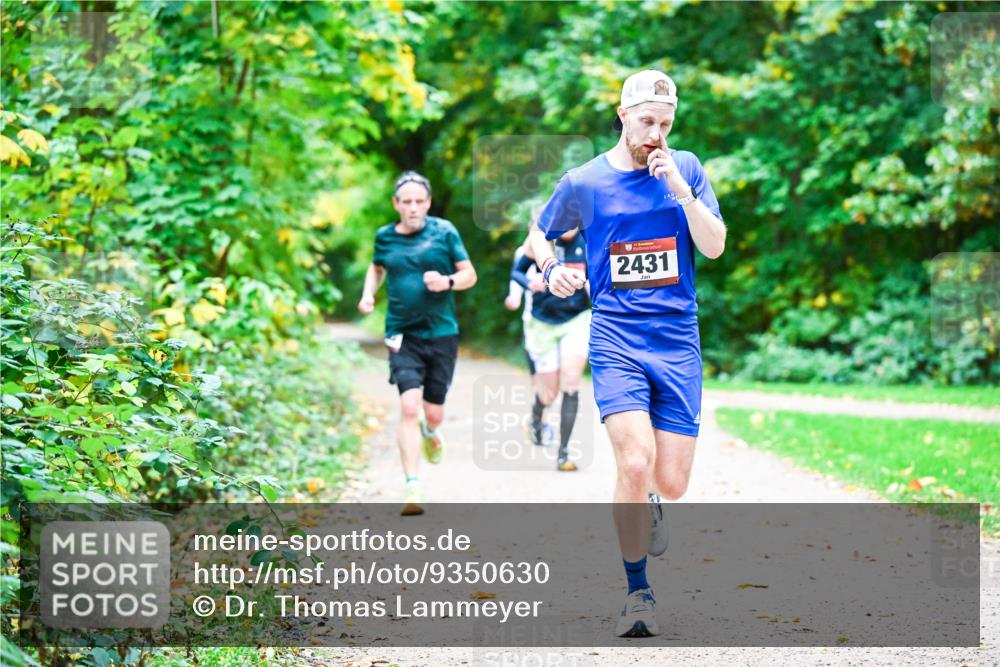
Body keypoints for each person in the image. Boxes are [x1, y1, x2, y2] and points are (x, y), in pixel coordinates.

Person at [528, 69, 726, 637]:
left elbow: (713, 247)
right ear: (622, 116)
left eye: (666, 124)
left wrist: (682, 193)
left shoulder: (685, 168)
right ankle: (638, 591)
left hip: (677, 339)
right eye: (647, 122)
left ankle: (654, 502)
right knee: (633, 463)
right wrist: (550, 268)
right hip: (616, 337)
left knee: (673, 479)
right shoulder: (585, 181)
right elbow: (538, 234)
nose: (656, 135)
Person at [358, 171, 477, 516]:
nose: (413, 207)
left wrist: (448, 282)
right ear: (396, 204)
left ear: (428, 203)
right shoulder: (385, 237)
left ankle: (432, 429)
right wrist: (368, 295)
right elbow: (377, 268)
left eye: (419, 201)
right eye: (406, 201)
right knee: (408, 406)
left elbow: (470, 274)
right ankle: (412, 486)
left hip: (441, 333)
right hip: (401, 334)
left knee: (432, 412)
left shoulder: (445, 232)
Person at [510, 225, 590, 471]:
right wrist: (529, 282)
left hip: (576, 319)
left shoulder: (589, 239)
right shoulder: (541, 240)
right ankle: (535, 420)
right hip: (542, 322)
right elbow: (517, 272)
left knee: (571, 379)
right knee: (548, 393)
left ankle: (563, 453)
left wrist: (593, 286)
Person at [504, 242, 558, 449]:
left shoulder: (564, 246)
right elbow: (517, 278)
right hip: (533, 322)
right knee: (539, 378)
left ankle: (538, 419)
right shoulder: (525, 251)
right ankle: (541, 422)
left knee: (556, 380)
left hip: (562, 321)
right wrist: (514, 298)